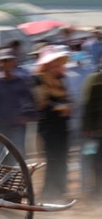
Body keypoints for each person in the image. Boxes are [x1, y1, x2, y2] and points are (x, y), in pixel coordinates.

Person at [33, 46, 72, 202]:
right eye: (56, 62)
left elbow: (66, 100)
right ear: (48, 64)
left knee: (62, 158)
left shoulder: (60, 80)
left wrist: (66, 106)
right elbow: (41, 102)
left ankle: (60, 191)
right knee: (53, 159)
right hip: (48, 126)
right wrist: (60, 107)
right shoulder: (38, 79)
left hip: (62, 125)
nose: (60, 65)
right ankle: (49, 193)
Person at [81, 58, 102, 198]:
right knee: (96, 160)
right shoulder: (94, 80)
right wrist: (87, 127)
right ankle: (97, 189)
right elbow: (87, 105)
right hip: (96, 130)